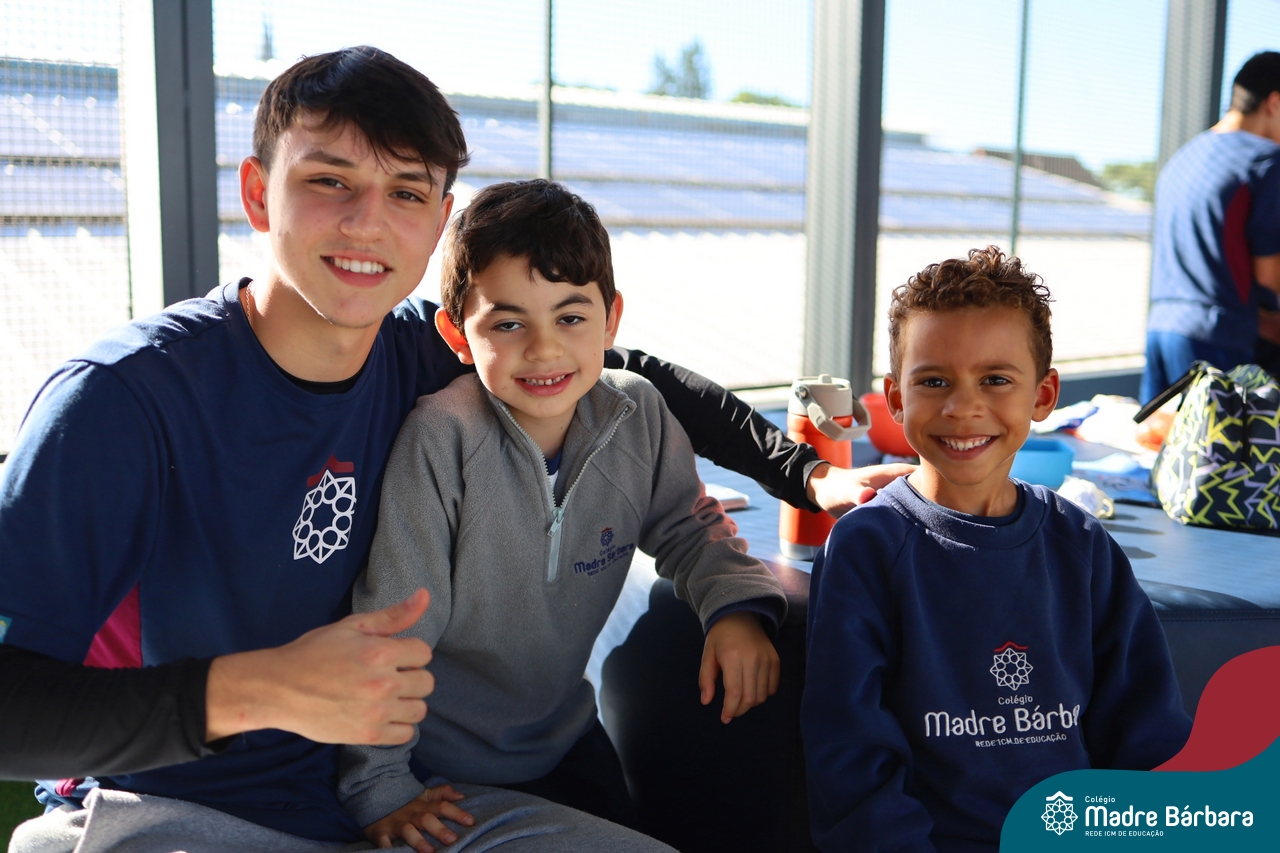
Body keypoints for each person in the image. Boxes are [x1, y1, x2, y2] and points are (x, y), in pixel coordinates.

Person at [0, 47, 905, 852]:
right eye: (329, 180)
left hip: (409, 802)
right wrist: (254, 689)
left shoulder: (427, 351)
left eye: (405, 192)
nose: (367, 223)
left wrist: (807, 475)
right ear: (256, 193)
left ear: (439, 220)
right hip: (177, 808)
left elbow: (628, 373)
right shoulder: (123, 401)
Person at [337, 180, 788, 850]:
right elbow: (394, 625)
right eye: (508, 323)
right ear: (458, 334)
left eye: (571, 318)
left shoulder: (637, 413)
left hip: (566, 735)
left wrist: (736, 608)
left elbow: (689, 525)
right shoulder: (442, 437)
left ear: (612, 319)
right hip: (439, 763)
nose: (544, 349)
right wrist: (379, 785)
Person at [802, 247, 1192, 853]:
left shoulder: (1082, 545)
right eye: (934, 381)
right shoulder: (866, 549)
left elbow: (1147, 738)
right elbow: (851, 762)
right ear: (896, 398)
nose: (963, 407)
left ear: (1043, 395)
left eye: (996, 380)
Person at [1142, 51, 1280, 402]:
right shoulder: (1266, 160)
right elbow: (1269, 276)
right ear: (1275, 103)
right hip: (1219, 340)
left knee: (1162, 435)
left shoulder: (1183, 157)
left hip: (1161, 328)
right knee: (1225, 440)